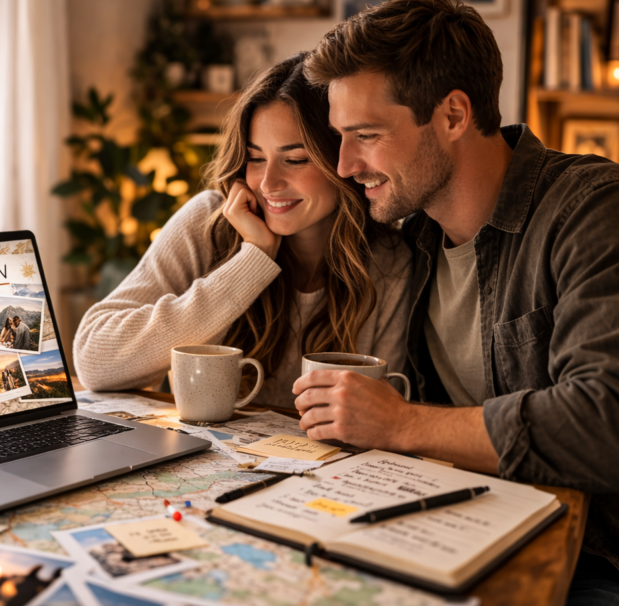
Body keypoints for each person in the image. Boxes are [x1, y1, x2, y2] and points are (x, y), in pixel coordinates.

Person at [294, 0, 619, 606]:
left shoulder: (601, 209)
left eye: (365, 136)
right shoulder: (408, 241)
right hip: (453, 536)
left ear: (452, 114)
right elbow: (274, 205)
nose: (345, 165)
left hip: (607, 564)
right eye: (339, 138)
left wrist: (401, 422)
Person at [73, 52, 412, 409]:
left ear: (340, 160)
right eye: (256, 157)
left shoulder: (390, 261)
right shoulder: (210, 222)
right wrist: (252, 261)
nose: (268, 183)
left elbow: (382, 410)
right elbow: (95, 363)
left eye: (295, 160)